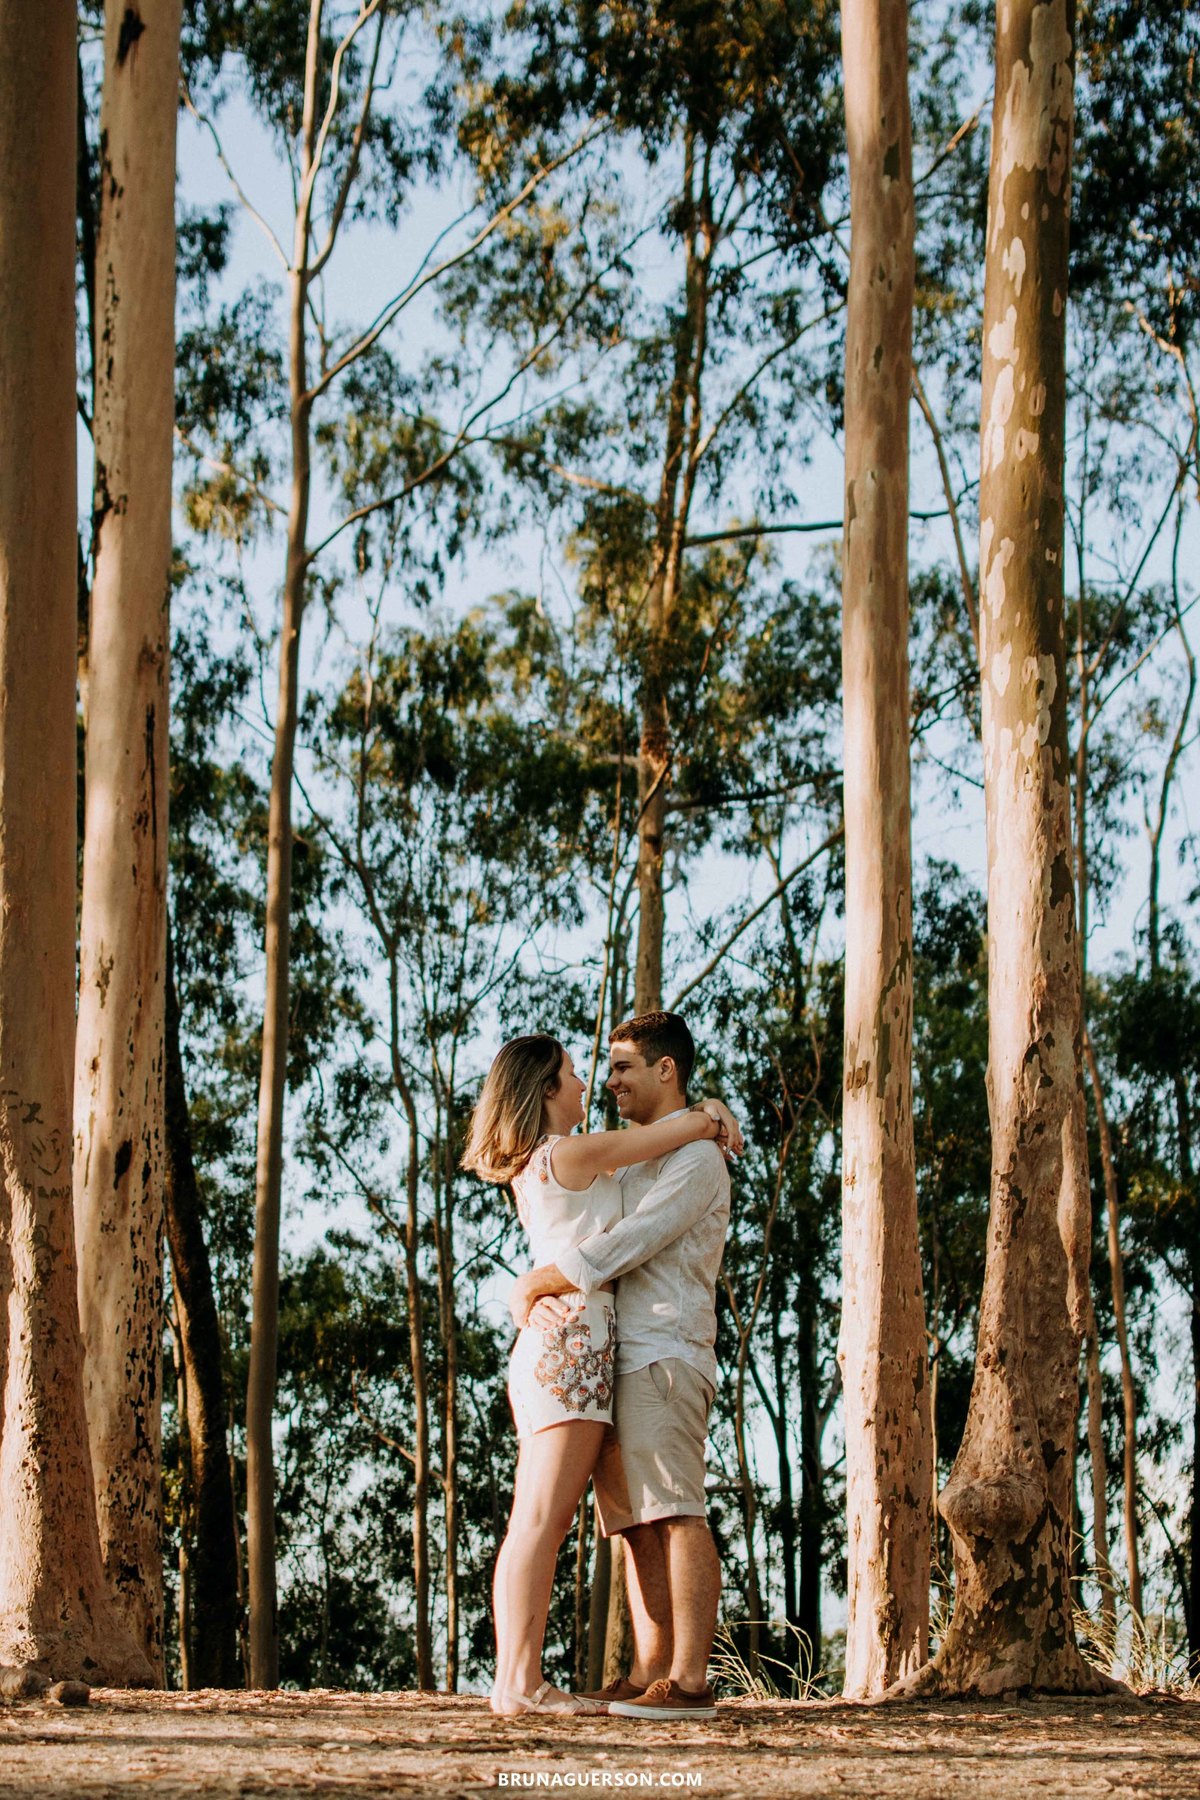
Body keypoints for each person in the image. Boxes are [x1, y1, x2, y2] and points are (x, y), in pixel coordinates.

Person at [461, 1032, 741, 1717]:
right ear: (548, 1091)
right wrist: (709, 1115)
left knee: (550, 1520)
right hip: (571, 1349)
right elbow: (642, 1163)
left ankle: (528, 1680)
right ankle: (519, 1683)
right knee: (540, 1521)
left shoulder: (572, 1161)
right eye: (577, 1075)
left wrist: (705, 1113)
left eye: (614, 1070)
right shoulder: (573, 1152)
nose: (593, 1086)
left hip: (587, 1349)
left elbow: (640, 1191)